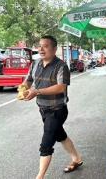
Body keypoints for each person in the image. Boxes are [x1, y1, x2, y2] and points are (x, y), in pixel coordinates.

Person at [22, 36, 82, 179]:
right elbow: (29, 80)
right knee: (60, 135)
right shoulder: (35, 63)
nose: (41, 49)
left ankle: (40, 176)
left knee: (46, 143)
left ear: (54, 49)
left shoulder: (61, 66)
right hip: (42, 108)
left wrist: (36, 91)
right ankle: (77, 159)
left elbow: (61, 87)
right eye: (40, 46)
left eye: (46, 46)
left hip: (57, 110)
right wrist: (23, 88)